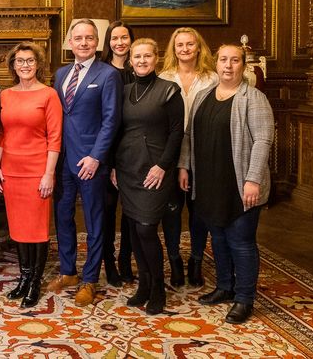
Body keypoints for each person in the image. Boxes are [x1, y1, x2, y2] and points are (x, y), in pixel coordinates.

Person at [178, 44, 274, 324]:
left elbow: (263, 141)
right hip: (209, 182)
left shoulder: (253, 98)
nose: (228, 66)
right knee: (218, 238)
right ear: (216, 64)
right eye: (223, 60)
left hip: (240, 184)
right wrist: (184, 166)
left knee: (241, 242)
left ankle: (244, 299)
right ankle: (224, 286)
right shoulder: (204, 96)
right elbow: (189, 135)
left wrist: (253, 179)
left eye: (234, 60)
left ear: (243, 65)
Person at [49, 18, 123, 307]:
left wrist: (96, 157)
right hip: (63, 160)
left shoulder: (108, 75)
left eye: (89, 38)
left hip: (91, 161)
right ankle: (68, 272)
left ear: (97, 42)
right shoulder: (61, 74)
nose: (83, 43)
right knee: (63, 217)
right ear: (70, 42)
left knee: (94, 221)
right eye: (78, 38)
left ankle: (90, 279)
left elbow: (111, 120)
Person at [113, 39, 184, 315]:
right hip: (127, 167)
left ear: (156, 58)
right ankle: (143, 285)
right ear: (130, 61)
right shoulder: (124, 91)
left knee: (145, 228)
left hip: (155, 170)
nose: (142, 61)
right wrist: (113, 167)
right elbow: (117, 130)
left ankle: (158, 289)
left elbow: (177, 132)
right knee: (133, 228)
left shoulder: (169, 90)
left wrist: (163, 166)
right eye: (137, 57)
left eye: (147, 56)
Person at [0, 42, 62, 308]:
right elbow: (1, 134)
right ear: (13, 65)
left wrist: (49, 174)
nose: (25, 65)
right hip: (11, 171)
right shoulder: (6, 95)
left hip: (37, 171)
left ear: (38, 64)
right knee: (19, 229)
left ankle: (35, 282)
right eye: (20, 61)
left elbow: (55, 138)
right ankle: (23, 278)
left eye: (30, 60)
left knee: (37, 230)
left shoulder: (49, 95)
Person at [158, 27, 218, 287]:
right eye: (179, 45)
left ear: (198, 47)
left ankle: (196, 260)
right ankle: (174, 260)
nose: (184, 49)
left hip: (202, 152)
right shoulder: (164, 78)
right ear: (173, 49)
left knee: (199, 210)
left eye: (190, 44)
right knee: (171, 210)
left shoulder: (212, 79)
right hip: (171, 152)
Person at [99, 21, 136, 286]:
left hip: (133, 153)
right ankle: (109, 262)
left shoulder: (139, 70)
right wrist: (110, 163)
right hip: (108, 152)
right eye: (115, 38)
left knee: (132, 213)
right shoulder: (102, 71)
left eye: (124, 37)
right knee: (108, 211)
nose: (120, 42)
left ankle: (126, 260)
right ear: (108, 42)